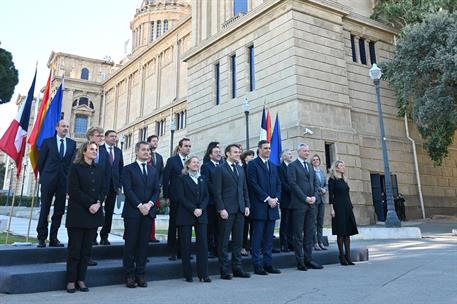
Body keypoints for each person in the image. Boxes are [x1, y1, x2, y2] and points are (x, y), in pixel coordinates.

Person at [66, 141, 105, 293]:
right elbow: (73, 190)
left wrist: (99, 203)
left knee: (86, 250)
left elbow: (103, 189)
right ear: (84, 152)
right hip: (78, 214)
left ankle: (81, 280)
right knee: (75, 249)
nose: (95, 151)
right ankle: (70, 280)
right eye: (92, 149)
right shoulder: (75, 168)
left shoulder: (100, 169)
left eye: (96, 150)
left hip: (94, 214)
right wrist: (91, 203)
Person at [122, 141, 160, 288]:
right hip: (133, 212)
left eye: (149, 150)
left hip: (148, 213)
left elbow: (156, 190)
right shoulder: (128, 169)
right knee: (130, 245)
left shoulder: (153, 170)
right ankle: (129, 275)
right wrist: (139, 205)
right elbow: (128, 190)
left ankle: (141, 275)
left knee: (144, 246)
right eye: (144, 150)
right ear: (137, 152)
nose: (147, 152)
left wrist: (149, 204)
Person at [212, 144, 251, 280]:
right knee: (223, 241)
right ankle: (224, 270)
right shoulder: (220, 169)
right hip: (226, 211)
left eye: (239, 152)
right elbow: (217, 191)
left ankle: (237, 268)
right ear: (227, 154)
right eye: (235, 152)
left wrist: (247, 205)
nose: (238, 154)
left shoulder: (240, 169)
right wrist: (221, 208)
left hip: (240, 210)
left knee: (238, 241)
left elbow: (244, 189)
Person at [36, 120, 77, 248]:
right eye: (63, 126)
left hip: (63, 182)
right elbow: (41, 163)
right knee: (45, 209)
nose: (65, 128)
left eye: (67, 126)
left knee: (59, 211)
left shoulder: (72, 144)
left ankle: (53, 238)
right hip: (48, 181)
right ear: (57, 127)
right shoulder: (47, 142)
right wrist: (44, 177)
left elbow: (71, 165)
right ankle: (42, 238)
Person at [246, 140, 281, 275]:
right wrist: (267, 198)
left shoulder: (273, 165)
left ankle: (268, 264)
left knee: (268, 238)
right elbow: (253, 184)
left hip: (272, 207)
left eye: (269, 148)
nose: (268, 150)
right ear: (259, 149)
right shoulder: (253, 165)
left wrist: (276, 198)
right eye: (265, 148)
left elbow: (279, 184)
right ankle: (257, 265)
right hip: (260, 206)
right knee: (257, 237)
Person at [288, 143, 323, 271]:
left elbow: (314, 184)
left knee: (309, 233)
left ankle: (309, 259)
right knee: (298, 234)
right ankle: (300, 261)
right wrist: (304, 198)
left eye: (308, 151)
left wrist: (314, 197)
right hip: (299, 205)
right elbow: (293, 184)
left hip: (311, 205)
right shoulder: (292, 166)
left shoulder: (310, 166)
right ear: (299, 152)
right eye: (305, 151)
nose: (307, 153)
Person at [175, 156, 211, 283]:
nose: (196, 164)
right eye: (194, 162)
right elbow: (181, 197)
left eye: (198, 162)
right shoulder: (181, 179)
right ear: (188, 165)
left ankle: (203, 274)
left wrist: (200, 208)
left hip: (201, 214)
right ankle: (188, 274)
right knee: (186, 245)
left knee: (203, 245)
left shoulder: (202, 178)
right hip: (186, 214)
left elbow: (206, 196)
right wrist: (193, 209)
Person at [163, 138, 191, 260]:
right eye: (185, 146)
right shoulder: (172, 161)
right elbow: (165, 179)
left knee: (185, 225)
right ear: (179, 147)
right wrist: (166, 196)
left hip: (188, 198)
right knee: (174, 224)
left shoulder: (191, 161)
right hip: (175, 197)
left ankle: (183, 251)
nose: (188, 148)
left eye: (189, 146)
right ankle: (172, 251)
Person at [328, 160, 358, 266]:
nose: (343, 167)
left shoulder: (345, 179)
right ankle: (341, 256)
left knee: (348, 232)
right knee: (341, 232)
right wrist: (331, 209)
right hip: (338, 206)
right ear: (336, 168)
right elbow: (330, 195)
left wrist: (351, 205)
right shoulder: (332, 179)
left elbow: (347, 194)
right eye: (341, 166)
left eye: (344, 166)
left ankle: (348, 256)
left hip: (347, 206)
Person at [98, 130, 124, 245]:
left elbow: (120, 168)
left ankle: (105, 236)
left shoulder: (118, 151)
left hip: (113, 186)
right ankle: (93, 236)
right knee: (97, 210)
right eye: (112, 136)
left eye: (115, 136)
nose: (114, 138)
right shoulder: (99, 149)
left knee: (109, 212)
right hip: (100, 185)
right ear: (106, 138)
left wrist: (119, 185)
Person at [200, 143, 223, 259]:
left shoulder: (223, 165)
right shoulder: (206, 166)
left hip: (222, 202)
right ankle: (209, 249)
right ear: (210, 155)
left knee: (220, 228)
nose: (219, 154)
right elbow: (207, 183)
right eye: (216, 152)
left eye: (219, 152)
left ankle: (219, 249)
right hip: (211, 202)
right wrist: (218, 192)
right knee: (210, 227)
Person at [147, 135, 164, 243]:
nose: (155, 143)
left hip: (155, 188)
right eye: (153, 141)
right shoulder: (145, 154)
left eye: (157, 141)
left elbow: (162, 172)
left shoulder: (159, 157)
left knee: (153, 212)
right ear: (148, 142)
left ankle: (152, 236)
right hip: (145, 188)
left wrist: (160, 183)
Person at [311, 154, 328, 251]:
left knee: (320, 222)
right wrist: (320, 190)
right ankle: (315, 242)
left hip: (322, 200)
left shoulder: (321, 172)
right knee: (314, 222)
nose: (316, 161)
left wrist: (325, 189)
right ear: (312, 162)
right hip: (315, 199)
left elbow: (326, 184)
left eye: (317, 159)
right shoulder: (311, 172)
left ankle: (321, 242)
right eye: (314, 160)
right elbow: (312, 185)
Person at [278, 149, 293, 252]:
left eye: (291, 154)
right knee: (285, 222)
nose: (291, 155)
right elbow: (282, 183)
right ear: (283, 156)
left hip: (294, 199)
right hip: (285, 198)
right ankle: (284, 243)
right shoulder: (280, 168)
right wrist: (294, 190)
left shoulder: (292, 167)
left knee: (293, 222)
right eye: (288, 154)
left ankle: (291, 243)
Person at [240, 150, 255, 256]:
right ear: (244, 158)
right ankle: (243, 246)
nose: (252, 157)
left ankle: (253, 245)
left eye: (253, 155)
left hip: (255, 200)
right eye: (250, 155)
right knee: (244, 226)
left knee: (254, 225)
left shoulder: (254, 168)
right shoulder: (242, 169)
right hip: (245, 200)